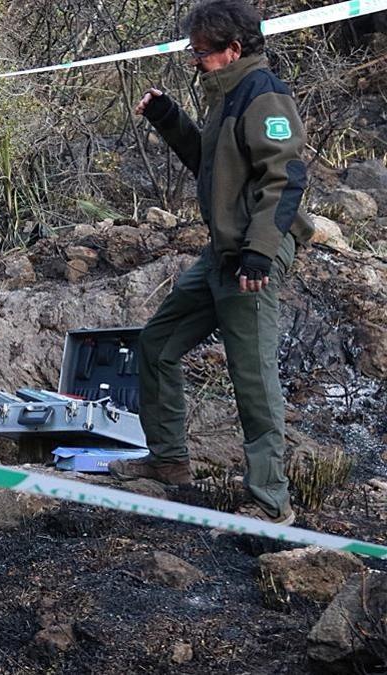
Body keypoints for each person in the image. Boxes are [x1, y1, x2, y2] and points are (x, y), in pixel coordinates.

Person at [109, 0, 314, 525]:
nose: (195, 60)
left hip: (253, 253)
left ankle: (271, 505)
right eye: (192, 51)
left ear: (234, 49)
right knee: (158, 343)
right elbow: (210, 165)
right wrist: (168, 116)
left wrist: (259, 253)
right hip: (224, 253)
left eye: (201, 53)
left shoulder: (263, 96)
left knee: (253, 378)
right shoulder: (226, 94)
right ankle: (170, 462)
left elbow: (285, 179)